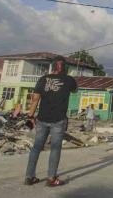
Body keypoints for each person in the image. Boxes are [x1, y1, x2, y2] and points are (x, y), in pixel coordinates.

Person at [24, 56, 77, 187]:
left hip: (41, 119)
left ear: (53, 66)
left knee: (36, 147)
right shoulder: (69, 80)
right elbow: (75, 90)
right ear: (65, 67)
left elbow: (35, 99)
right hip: (58, 120)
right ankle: (51, 178)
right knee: (55, 149)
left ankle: (29, 177)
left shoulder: (43, 79)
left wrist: (30, 117)